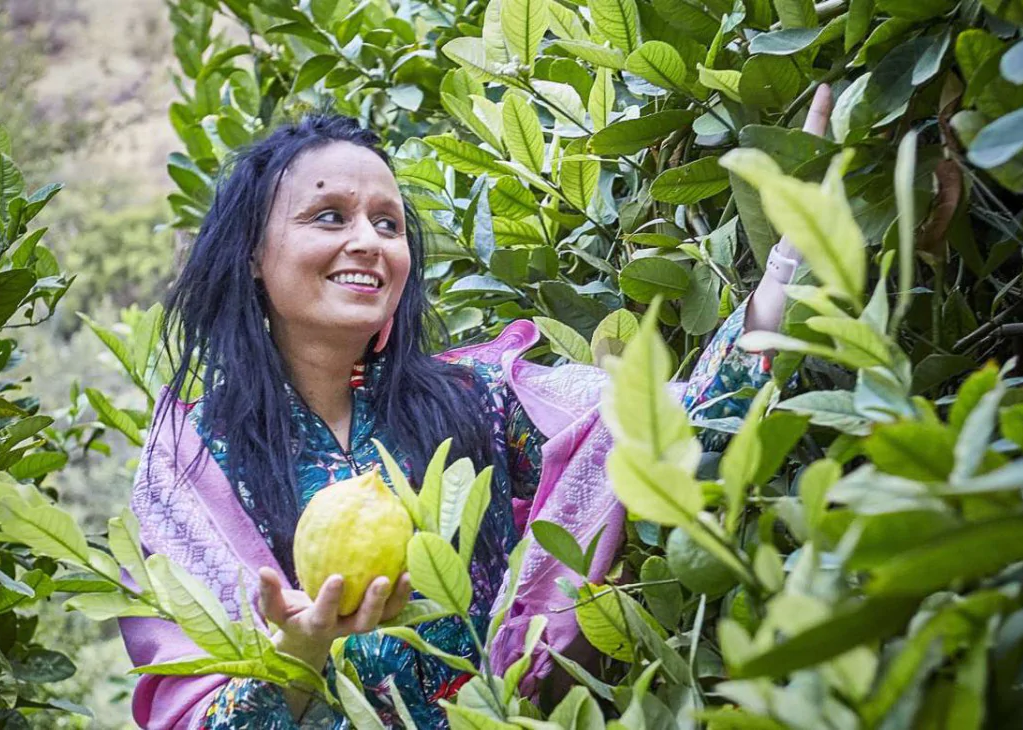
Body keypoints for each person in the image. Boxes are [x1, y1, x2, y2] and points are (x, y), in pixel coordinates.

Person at [119, 87, 834, 730]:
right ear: (251, 253)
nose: (368, 241)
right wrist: (298, 655)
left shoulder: (478, 400)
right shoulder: (195, 467)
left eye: (389, 224)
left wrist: (788, 259)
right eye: (329, 215)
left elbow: (684, 425)